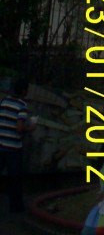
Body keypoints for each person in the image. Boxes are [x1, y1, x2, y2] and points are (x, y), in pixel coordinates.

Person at [0, 76, 36, 215]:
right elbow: (19, 127)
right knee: (14, 179)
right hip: (13, 147)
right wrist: (31, 127)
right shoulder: (22, 106)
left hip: (1, 144)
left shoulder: (4, 101)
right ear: (23, 90)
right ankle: (16, 208)